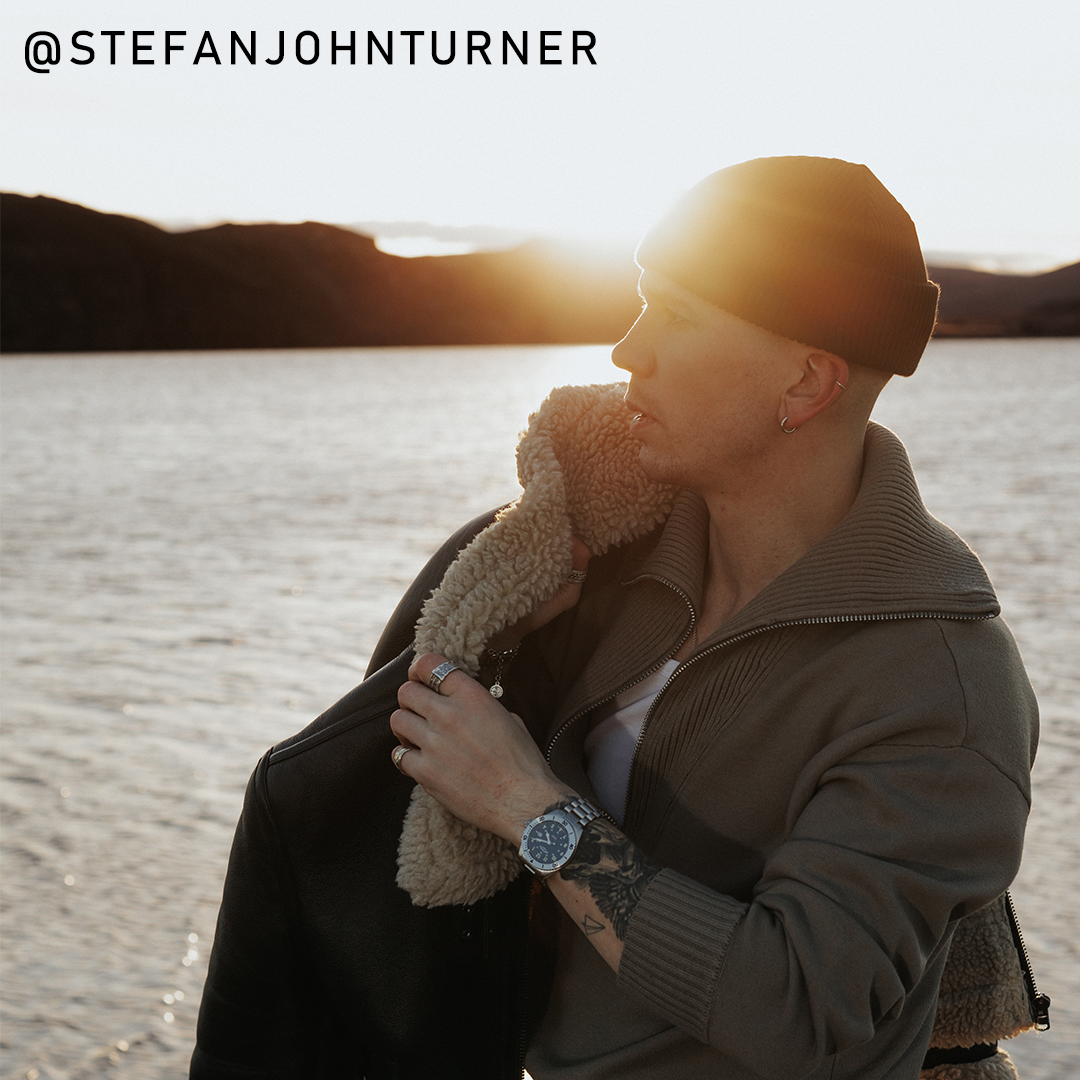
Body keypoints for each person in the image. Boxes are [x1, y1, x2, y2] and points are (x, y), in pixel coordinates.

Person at [191, 157, 1039, 1080]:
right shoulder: (593, 566)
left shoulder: (941, 682)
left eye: (675, 315)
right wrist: (512, 645)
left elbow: (798, 1007)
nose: (628, 350)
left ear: (805, 383)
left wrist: (534, 809)